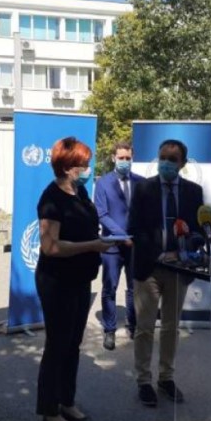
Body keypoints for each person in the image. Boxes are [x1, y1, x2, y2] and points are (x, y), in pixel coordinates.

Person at [35, 136, 119, 421]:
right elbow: (51, 247)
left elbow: (86, 229)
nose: (88, 168)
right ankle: (49, 411)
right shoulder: (51, 199)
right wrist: (92, 246)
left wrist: (102, 240)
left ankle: (66, 401)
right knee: (57, 345)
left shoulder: (80, 192)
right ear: (68, 167)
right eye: (84, 164)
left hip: (81, 279)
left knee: (72, 344)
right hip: (57, 281)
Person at [128, 139, 204, 407]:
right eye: (163, 158)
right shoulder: (143, 189)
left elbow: (198, 231)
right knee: (145, 328)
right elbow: (134, 228)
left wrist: (184, 251)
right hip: (148, 268)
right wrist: (159, 254)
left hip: (178, 269)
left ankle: (166, 378)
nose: (166, 163)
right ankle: (143, 381)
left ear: (182, 163)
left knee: (171, 327)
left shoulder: (194, 191)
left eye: (172, 159)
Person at [93, 142, 144, 350]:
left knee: (134, 288)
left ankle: (133, 326)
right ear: (114, 158)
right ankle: (109, 330)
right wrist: (122, 236)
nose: (124, 161)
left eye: (128, 158)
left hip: (134, 245)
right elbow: (102, 214)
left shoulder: (141, 183)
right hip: (112, 245)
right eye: (121, 158)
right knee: (109, 288)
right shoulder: (103, 183)